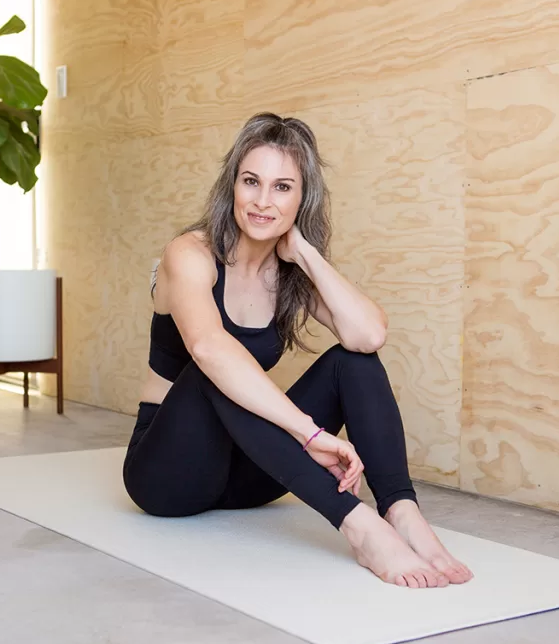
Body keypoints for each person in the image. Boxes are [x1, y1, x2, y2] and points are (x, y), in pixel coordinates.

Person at [123, 113, 472, 588]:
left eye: (283, 187)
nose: (263, 201)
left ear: (303, 197)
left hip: (249, 475)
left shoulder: (288, 273)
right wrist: (311, 435)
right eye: (252, 182)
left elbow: (368, 335)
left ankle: (401, 511)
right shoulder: (189, 254)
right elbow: (208, 348)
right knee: (218, 366)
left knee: (352, 362)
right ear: (233, 186)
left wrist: (305, 253)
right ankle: (360, 526)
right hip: (168, 473)